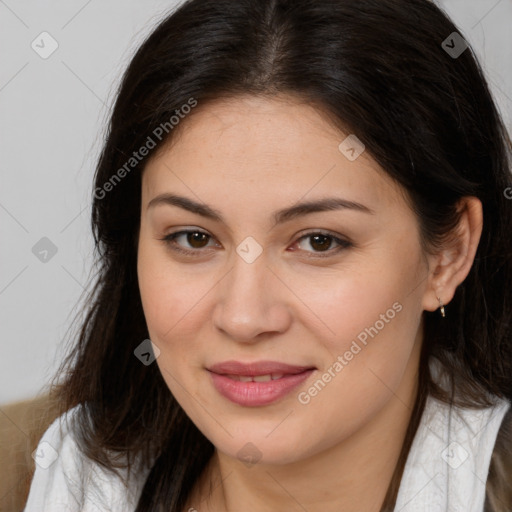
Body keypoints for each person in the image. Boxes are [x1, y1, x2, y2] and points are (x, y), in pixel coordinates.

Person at [23, 0, 512, 511]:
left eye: (319, 241)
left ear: (449, 254)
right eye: (193, 238)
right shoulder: (41, 472)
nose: (244, 317)